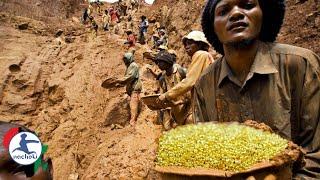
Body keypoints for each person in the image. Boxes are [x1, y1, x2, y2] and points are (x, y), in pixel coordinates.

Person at [196, 0, 320, 178]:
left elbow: (315, 156)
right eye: (223, 11)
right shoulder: (204, 84)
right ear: (213, 27)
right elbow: (204, 157)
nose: (236, 14)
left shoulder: (300, 65)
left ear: (263, 15)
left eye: (247, 5)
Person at [157, 31, 214, 117]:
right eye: (186, 45)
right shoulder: (204, 56)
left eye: (190, 44)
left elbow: (189, 81)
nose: (187, 47)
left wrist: (167, 95)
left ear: (199, 45)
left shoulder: (200, 55)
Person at [153, 51, 189, 130]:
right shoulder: (163, 78)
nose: (158, 65)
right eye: (157, 62)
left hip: (187, 108)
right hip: (175, 110)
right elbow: (164, 94)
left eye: (160, 62)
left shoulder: (180, 71)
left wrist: (184, 101)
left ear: (167, 61)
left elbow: (189, 85)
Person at [116, 53, 142, 126]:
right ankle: (133, 120)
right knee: (133, 104)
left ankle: (133, 121)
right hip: (132, 89)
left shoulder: (133, 65)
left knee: (133, 105)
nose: (125, 61)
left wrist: (120, 80)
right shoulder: (129, 66)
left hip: (135, 88)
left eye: (126, 59)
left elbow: (130, 76)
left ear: (129, 59)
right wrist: (120, 84)